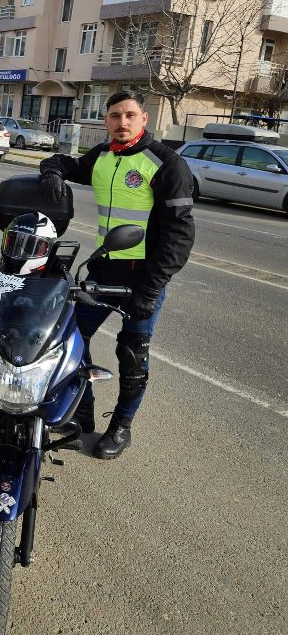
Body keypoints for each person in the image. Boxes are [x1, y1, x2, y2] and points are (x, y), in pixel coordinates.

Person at [39, 90, 194, 458]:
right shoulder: (103, 156)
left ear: (144, 118)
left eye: (129, 115)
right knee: (71, 337)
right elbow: (66, 163)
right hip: (104, 267)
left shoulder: (167, 164)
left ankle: (122, 426)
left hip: (144, 277)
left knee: (132, 353)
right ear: (106, 120)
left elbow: (180, 236)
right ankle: (83, 409)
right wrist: (51, 171)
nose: (121, 123)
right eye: (114, 116)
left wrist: (151, 288)